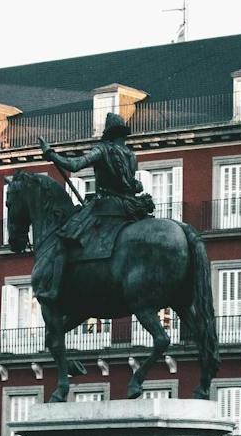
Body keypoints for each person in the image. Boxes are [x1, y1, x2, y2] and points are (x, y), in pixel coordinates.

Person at [31, 114, 152, 306]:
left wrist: (51, 154)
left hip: (105, 206)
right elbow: (131, 183)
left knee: (64, 238)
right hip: (129, 207)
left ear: (108, 133)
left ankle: (54, 290)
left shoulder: (102, 150)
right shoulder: (131, 155)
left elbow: (74, 165)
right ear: (122, 135)